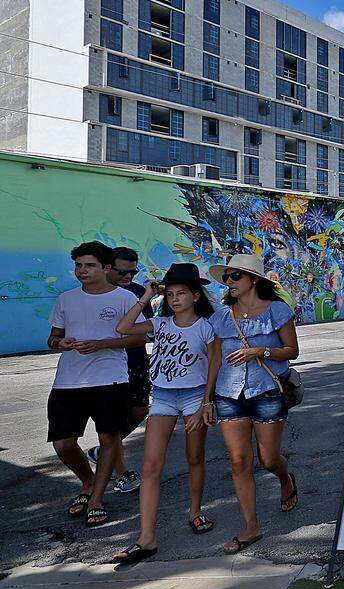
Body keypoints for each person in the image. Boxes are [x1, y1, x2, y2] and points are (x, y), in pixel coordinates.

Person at [111, 264, 218, 564]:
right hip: (163, 397)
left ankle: (195, 512)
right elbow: (123, 328)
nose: (174, 299)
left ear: (196, 296)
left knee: (194, 457)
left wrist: (207, 402)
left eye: (181, 293)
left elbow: (213, 367)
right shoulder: (160, 324)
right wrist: (146, 297)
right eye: (170, 294)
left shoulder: (206, 328)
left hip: (195, 395)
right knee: (149, 466)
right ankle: (146, 538)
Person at [47, 241, 147, 527]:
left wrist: (103, 344)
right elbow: (52, 338)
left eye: (89, 265)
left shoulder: (125, 298)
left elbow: (139, 338)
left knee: (108, 439)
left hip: (110, 378)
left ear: (105, 268)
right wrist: (60, 343)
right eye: (78, 265)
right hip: (68, 380)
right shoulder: (66, 299)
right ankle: (87, 482)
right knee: (63, 444)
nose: (82, 271)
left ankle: (96, 498)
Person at [206, 254, 300, 555]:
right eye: (227, 277)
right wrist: (207, 399)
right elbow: (215, 359)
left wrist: (261, 351)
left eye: (235, 276)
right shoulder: (221, 316)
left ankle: (285, 479)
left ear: (254, 280)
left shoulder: (277, 310)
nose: (229, 282)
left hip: (267, 391)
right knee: (238, 461)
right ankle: (251, 526)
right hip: (228, 395)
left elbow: (291, 351)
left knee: (269, 459)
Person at [85, 246, 152, 495]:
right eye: (123, 272)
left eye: (133, 272)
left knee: (139, 410)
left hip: (135, 361)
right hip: (103, 366)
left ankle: (105, 451)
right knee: (111, 422)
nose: (128, 277)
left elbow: (146, 329)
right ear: (108, 268)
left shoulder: (137, 293)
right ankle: (121, 471)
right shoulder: (90, 293)